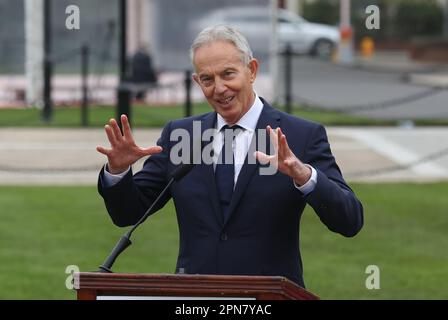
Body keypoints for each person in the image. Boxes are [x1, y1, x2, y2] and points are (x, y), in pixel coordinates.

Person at [96, 25, 363, 288]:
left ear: (252, 71)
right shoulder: (182, 135)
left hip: (269, 297)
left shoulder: (300, 135)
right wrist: (117, 172)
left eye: (228, 74)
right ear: (197, 81)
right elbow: (129, 213)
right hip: (197, 300)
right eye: (208, 79)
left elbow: (350, 221)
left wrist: (305, 177)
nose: (220, 88)